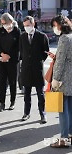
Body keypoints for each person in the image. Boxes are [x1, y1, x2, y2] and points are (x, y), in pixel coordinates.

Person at [19, 16, 49, 124]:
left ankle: (43, 114)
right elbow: (21, 51)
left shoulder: (42, 36)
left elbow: (46, 52)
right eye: (25, 26)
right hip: (26, 68)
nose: (26, 27)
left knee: (40, 93)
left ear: (33, 24)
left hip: (37, 68)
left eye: (28, 25)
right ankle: (26, 113)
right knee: (26, 93)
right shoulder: (22, 37)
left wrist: (38, 60)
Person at [49, 15, 72, 148]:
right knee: (70, 108)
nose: (54, 28)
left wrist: (55, 80)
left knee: (62, 110)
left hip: (64, 79)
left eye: (55, 25)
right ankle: (70, 135)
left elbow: (61, 61)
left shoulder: (64, 38)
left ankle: (63, 139)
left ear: (61, 25)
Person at [0, 13, 20, 112]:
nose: (4, 25)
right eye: (2, 23)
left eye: (5, 23)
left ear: (10, 21)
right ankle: (2, 103)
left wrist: (9, 56)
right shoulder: (0, 31)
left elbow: (18, 46)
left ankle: (12, 102)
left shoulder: (16, 31)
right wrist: (2, 54)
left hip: (13, 60)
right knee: (1, 82)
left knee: (13, 82)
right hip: (1, 60)